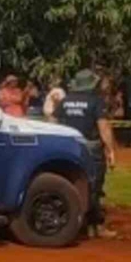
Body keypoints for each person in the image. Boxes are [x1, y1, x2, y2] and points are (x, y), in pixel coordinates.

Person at [51, 69, 118, 238]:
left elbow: (52, 122)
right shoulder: (96, 101)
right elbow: (103, 126)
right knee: (94, 185)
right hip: (91, 147)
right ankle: (95, 226)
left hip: (69, 146)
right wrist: (111, 150)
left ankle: (75, 222)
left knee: (73, 182)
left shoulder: (65, 101)